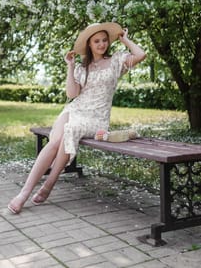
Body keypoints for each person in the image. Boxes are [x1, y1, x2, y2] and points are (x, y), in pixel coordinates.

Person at [8, 22, 146, 214]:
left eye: (105, 40)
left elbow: (141, 55)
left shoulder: (116, 61)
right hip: (74, 110)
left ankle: (49, 183)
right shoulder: (83, 67)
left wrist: (124, 40)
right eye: (96, 41)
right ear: (89, 45)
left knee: (70, 131)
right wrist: (70, 67)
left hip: (96, 118)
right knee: (55, 141)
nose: (101, 44)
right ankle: (24, 192)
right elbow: (72, 94)